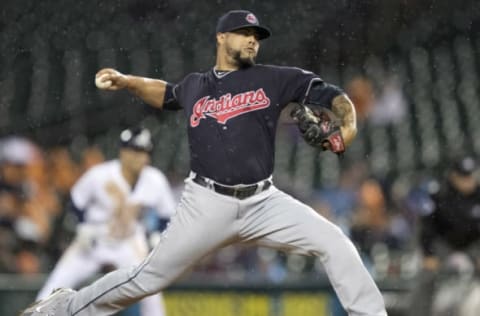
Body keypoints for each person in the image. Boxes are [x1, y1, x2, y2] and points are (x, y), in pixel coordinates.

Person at [22, 10, 386, 316]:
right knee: (148, 278)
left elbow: (335, 97)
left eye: (256, 36)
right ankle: (66, 307)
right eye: (244, 33)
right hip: (207, 202)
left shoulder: (275, 78)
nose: (252, 40)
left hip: (264, 201)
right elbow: (166, 93)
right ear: (221, 38)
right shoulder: (196, 85)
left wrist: (348, 127)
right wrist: (129, 81)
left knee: (334, 241)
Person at [33, 127, 176, 316]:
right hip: (95, 237)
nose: (139, 157)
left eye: (144, 152)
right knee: (55, 285)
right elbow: (75, 202)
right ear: (123, 152)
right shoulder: (99, 174)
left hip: (129, 240)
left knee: (151, 293)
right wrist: (81, 227)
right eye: (134, 151)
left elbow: (167, 215)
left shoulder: (155, 180)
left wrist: (157, 234)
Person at [409, 155, 480, 316]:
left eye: (470, 175)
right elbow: (427, 228)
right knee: (426, 278)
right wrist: (428, 254)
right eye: (464, 176)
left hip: (473, 246)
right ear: (453, 175)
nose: (468, 180)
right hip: (444, 245)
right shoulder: (439, 194)